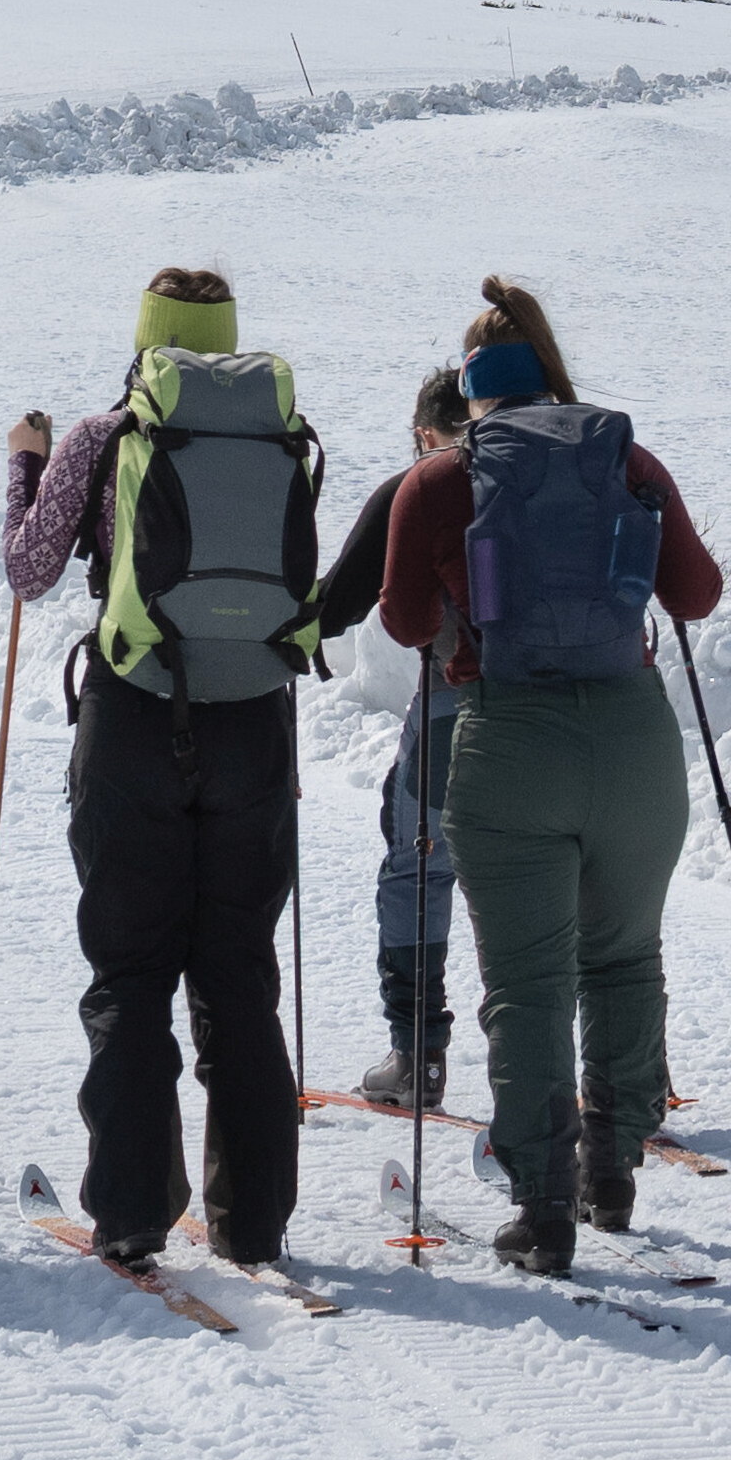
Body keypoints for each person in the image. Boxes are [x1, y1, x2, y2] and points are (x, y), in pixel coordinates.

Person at [356, 275, 718, 1276]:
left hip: (509, 736)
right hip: (635, 739)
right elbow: (698, 590)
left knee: (526, 982)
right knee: (624, 954)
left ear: (469, 386)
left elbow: (403, 623)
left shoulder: (440, 480)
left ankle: (543, 1204)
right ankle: (614, 1166)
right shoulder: (627, 457)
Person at [0, 266, 330, 1277]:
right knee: (239, 977)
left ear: (144, 336)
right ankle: (255, 1220)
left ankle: (136, 1209)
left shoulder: (105, 438)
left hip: (136, 714)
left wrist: (25, 465)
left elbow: (28, 567)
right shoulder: (279, 435)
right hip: (253, 725)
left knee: (132, 972)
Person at [304, 366, 480, 1125]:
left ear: (422, 434)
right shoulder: (551, 475)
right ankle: (617, 1070)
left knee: (416, 864)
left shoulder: (419, 488)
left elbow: (341, 602)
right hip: (585, 708)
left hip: (457, 705)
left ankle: (419, 1056)